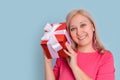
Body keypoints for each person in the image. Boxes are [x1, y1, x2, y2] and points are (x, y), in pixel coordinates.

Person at [43, 9, 115, 80]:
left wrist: (74, 66)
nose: (79, 32)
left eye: (83, 25)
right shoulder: (65, 54)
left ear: (93, 27)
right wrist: (47, 61)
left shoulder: (105, 57)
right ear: (69, 34)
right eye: (73, 29)